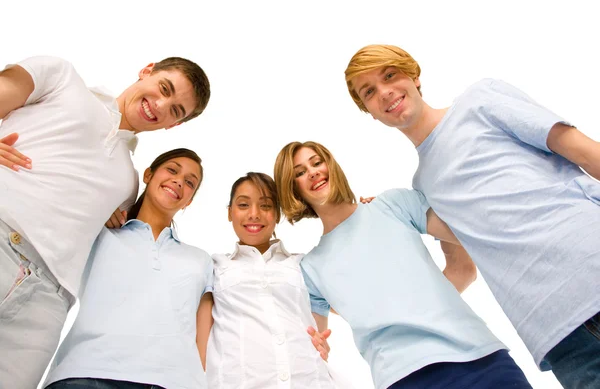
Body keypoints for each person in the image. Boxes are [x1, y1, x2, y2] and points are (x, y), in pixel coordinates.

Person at [345, 44, 600, 389]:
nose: (385, 92)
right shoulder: (423, 189)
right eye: (370, 92)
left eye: (390, 75)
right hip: (559, 339)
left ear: (414, 76)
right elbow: (462, 271)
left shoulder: (480, 101)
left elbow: (584, 151)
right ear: (369, 112)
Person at [0, 56, 210, 388]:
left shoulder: (128, 184)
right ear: (147, 70)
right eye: (164, 88)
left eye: (175, 110)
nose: (160, 105)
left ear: (174, 125)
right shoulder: (62, 78)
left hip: (48, 302)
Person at [274, 141, 533, 389]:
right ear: (293, 189)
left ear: (330, 164)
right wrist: (317, 348)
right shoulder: (311, 268)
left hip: (479, 358)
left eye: (317, 162)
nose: (313, 173)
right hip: (403, 379)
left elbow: (467, 242)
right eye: (300, 172)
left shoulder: (392, 205)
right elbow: (316, 345)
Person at [43, 148, 213, 389]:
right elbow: (54, 199)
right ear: (148, 175)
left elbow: (203, 342)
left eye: (189, 183)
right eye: (172, 170)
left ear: (189, 200)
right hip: (84, 372)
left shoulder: (201, 260)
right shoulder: (100, 234)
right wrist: (99, 209)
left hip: (172, 381)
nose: (178, 181)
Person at [203, 172, 351, 389]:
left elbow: (358, 300)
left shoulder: (303, 265)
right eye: (243, 205)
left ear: (278, 213)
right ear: (229, 213)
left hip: (309, 381)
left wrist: (363, 214)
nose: (254, 214)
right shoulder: (213, 267)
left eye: (265, 206)